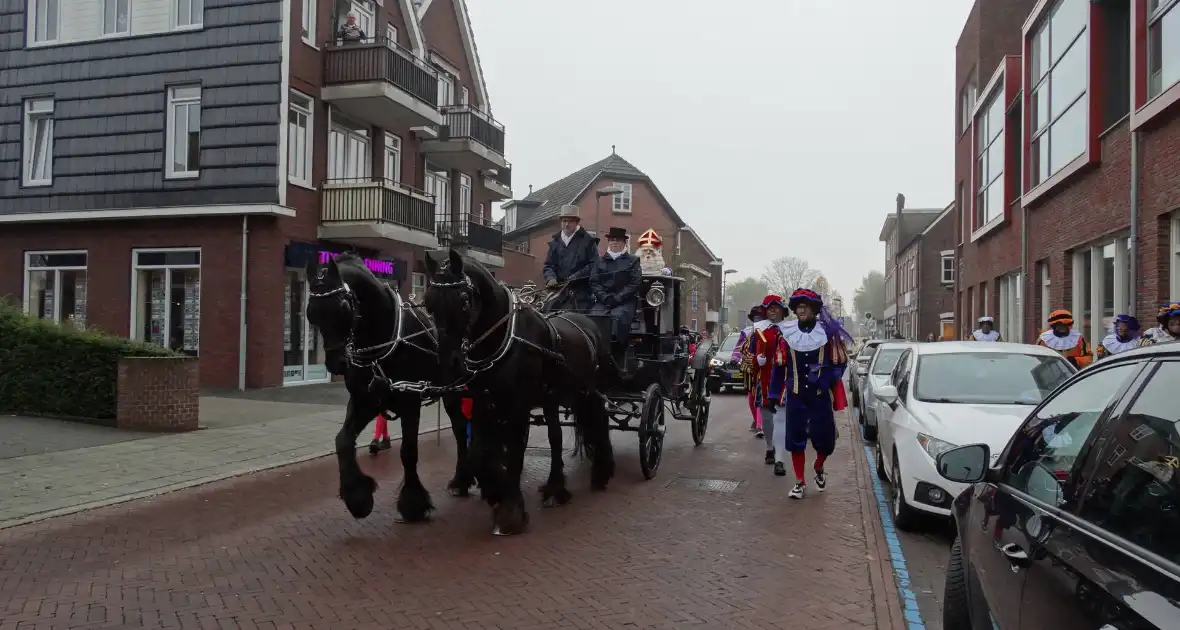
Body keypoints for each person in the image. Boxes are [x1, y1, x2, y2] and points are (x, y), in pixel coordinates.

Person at [772, 288, 852, 499]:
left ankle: (819, 466)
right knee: (795, 438)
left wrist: (828, 378)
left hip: (820, 395)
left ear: (814, 309)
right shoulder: (787, 333)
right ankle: (800, 481)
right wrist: (774, 394)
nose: (801, 310)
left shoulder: (826, 333)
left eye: (805, 307)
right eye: (798, 307)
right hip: (796, 394)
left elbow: (840, 363)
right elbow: (779, 367)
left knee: (824, 439)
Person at [748, 295, 788, 466]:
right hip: (764, 377)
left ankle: (779, 454)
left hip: (784, 378)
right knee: (766, 416)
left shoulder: (789, 330)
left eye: (776, 307)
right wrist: (758, 360)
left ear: (782, 310)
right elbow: (749, 356)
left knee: (781, 416)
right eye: (769, 308)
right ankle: (770, 447)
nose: (772, 310)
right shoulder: (758, 331)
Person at [590, 227, 642, 346]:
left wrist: (617, 298)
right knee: (593, 316)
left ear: (624, 243)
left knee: (617, 318)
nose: (614, 242)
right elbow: (594, 282)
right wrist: (605, 298)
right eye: (612, 240)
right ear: (608, 242)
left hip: (625, 301)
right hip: (603, 300)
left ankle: (615, 348)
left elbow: (635, 283)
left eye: (618, 240)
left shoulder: (633, 261)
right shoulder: (599, 262)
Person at [542, 205, 599, 311]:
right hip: (558, 292)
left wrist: (576, 277)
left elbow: (594, 265)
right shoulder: (555, 242)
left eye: (570, 221)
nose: (566, 224)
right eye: (564, 221)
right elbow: (548, 265)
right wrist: (550, 278)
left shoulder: (588, 241)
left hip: (581, 293)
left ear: (577, 222)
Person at [731, 305, 767, 436]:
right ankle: (756, 419)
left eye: (760, 318)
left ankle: (760, 424)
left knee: (761, 395)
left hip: (763, 368)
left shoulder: (768, 331)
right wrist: (735, 358)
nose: (757, 321)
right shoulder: (746, 332)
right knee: (752, 397)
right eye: (755, 318)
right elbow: (739, 347)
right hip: (749, 370)